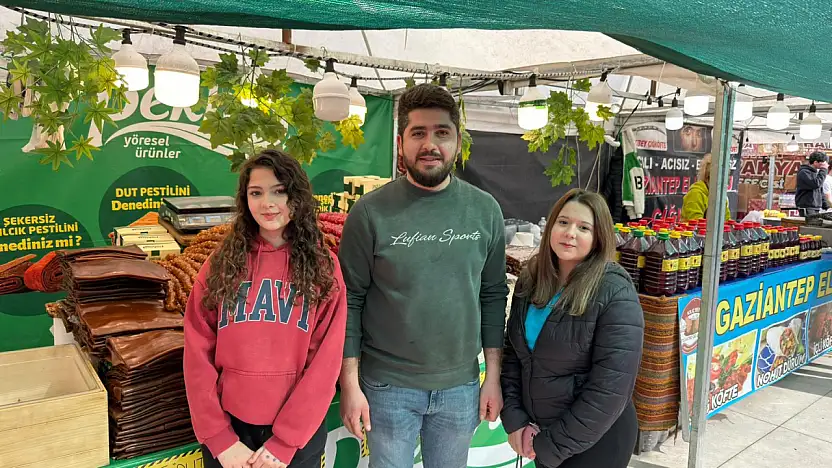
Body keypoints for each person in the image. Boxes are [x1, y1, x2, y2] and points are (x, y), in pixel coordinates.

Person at [337, 83, 508, 468]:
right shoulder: (368, 213)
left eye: (441, 133)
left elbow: (494, 294)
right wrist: (350, 381)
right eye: (418, 133)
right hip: (387, 387)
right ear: (400, 143)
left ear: (458, 141)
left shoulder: (485, 210)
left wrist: (492, 375)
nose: (430, 144)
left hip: (461, 386)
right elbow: (350, 299)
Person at [184, 150, 347, 468]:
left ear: (296, 196)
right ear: (244, 200)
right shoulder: (221, 262)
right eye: (255, 193)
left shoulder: (323, 267)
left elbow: (325, 363)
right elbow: (196, 349)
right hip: (230, 430)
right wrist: (220, 437)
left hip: (296, 436)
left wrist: (286, 442)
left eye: (279, 191)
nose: (267, 203)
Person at [501, 188, 644, 468]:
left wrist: (551, 445)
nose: (570, 233)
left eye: (584, 227)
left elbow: (610, 388)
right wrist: (516, 421)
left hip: (597, 441)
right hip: (541, 434)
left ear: (598, 236)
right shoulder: (531, 280)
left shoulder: (614, 291)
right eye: (563, 222)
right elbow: (513, 355)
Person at [680, 153, 731, 222]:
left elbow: (727, 221)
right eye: (718, 179)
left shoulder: (720, 197)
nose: (723, 183)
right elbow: (695, 225)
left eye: (725, 179)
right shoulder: (696, 194)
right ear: (707, 177)